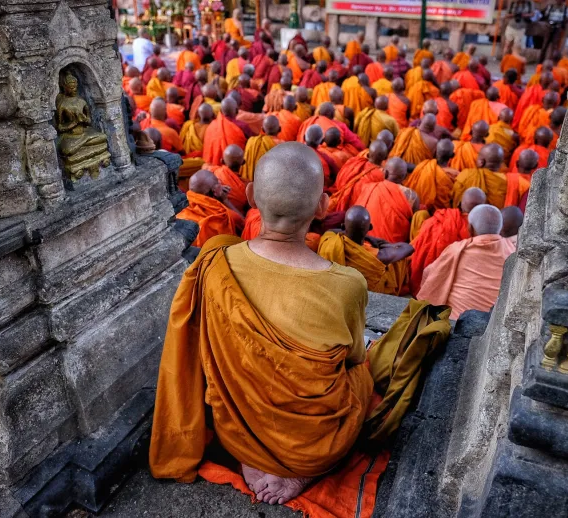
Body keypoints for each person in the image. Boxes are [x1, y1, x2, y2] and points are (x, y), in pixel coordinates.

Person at [151, 141, 392, 505]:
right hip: (316, 447)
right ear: (324, 206)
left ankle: (254, 453)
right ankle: (301, 467)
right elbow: (355, 357)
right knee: (362, 375)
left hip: (237, 433)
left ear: (250, 195)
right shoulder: (347, 284)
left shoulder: (216, 261)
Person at [417, 204, 514, 319]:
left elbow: (430, 277)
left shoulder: (457, 250)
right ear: (500, 228)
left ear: (470, 228)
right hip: (495, 323)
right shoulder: (512, 251)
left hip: (457, 323)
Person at [317, 206, 413, 296]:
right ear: (370, 228)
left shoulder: (329, 241)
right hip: (367, 291)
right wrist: (375, 240)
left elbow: (331, 231)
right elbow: (409, 248)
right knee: (398, 261)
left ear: (343, 226)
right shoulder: (377, 256)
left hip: (335, 288)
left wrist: (367, 237)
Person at [408, 187, 486, 295]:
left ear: (460, 203)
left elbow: (419, 244)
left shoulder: (438, 219)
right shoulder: (481, 228)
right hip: (458, 288)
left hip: (424, 278)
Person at [353, 157, 416, 243]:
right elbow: (414, 225)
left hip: (365, 244)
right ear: (405, 176)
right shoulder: (412, 196)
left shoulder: (369, 188)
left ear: (385, 173)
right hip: (393, 249)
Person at [176, 169, 244, 246]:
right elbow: (243, 224)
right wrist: (225, 200)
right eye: (218, 182)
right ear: (214, 191)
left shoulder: (180, 208)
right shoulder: (223, 215)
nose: (221, 184)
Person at [452, 143, 529, 209]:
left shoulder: (465, 176)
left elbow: (456, 203)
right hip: (500, 223)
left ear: (481, 162)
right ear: (501, 164)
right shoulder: (516, 182)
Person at [328, 140, 389, 212]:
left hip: (338, 196)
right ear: (384, 159)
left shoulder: (353, 161)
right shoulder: (380, 177)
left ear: (368, 154)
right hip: (355, 211)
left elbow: (339, 180)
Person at [404, 139, 458, 212]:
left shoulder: (422, 167)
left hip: (418, 212)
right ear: (452, 155)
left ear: (435, 151)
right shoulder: (455, 175)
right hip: (443, 216)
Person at [203, 98, 248, 166]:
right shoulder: (243, 126)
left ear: (220, 111)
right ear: (237, 111)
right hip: (237, 168)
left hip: (212, 168)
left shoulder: (211, 126)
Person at [208, 144, 248, 213]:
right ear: (243, 162)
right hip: (236, 219)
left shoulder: (212, 174)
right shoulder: (247, 186)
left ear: (222, 161)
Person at [241, 115, 283, 182]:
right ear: (279, 129)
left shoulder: (251, 141)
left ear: (262, 129)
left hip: (249, 184)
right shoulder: (281, 145)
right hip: (269, 185)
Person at [177, 103, 214, 178]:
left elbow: (180, 144)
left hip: (187, 160)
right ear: (212, 115)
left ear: (198, 115)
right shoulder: (213, 129)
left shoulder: (188, 125)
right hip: (202, 162)